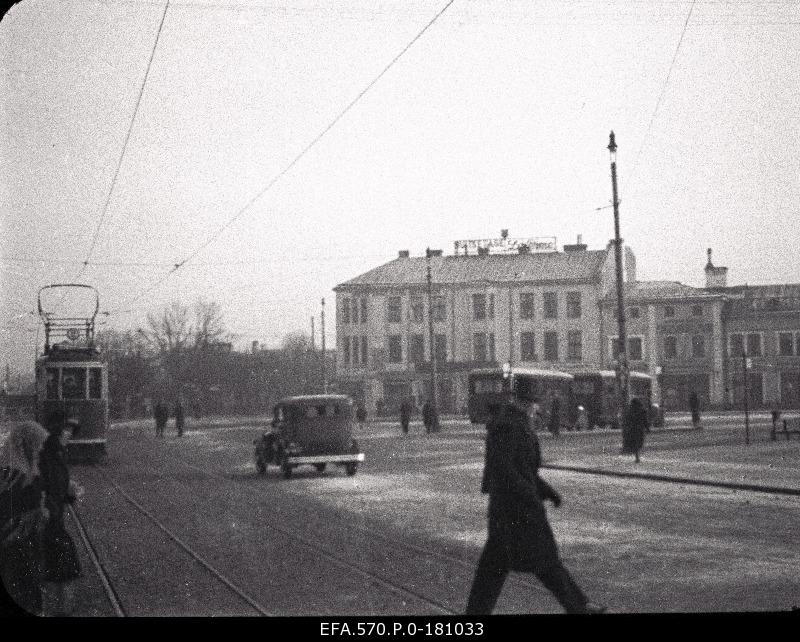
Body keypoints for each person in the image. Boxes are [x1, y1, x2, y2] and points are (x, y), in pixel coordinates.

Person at [465, 393, 605, 615]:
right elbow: (505, 470)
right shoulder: (509, 428)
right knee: (546, 563)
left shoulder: (514, 425)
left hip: (510, 512)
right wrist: (531, 495)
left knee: (498, 569)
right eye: (534, 406)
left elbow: (524, 470)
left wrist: (548, 492)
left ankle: (580, 606)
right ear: (526, 405)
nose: (536, 411)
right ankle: (580, 607)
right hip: (516, 512)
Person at [0, 421, 49, 616]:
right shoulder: (28, 477)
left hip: (11, 543)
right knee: (26, 592)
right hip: (22, 544)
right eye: (38, 446)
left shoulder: (6, 472)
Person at [39, 412, 82, 616]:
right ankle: (57, 610)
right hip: (47, 518)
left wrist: (69, 493)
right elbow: (44, 486)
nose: (69, 435)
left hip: (54, 517)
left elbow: (57, 487)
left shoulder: (58, 453)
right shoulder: (47, 455)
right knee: (63, 565)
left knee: (59, 567)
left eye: (72, 431)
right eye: (66, 430)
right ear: (56, 431)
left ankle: (56, 609)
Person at [624, 398, 648, 464]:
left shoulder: (630, 410)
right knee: (639, 442)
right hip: (640, 429)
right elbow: (645, 420)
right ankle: (637, 456)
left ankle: (637, 456)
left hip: (633, 429)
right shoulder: (643, 410)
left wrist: (627, 428)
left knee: (635, 443)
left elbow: (627, 420)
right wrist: (647, 428)